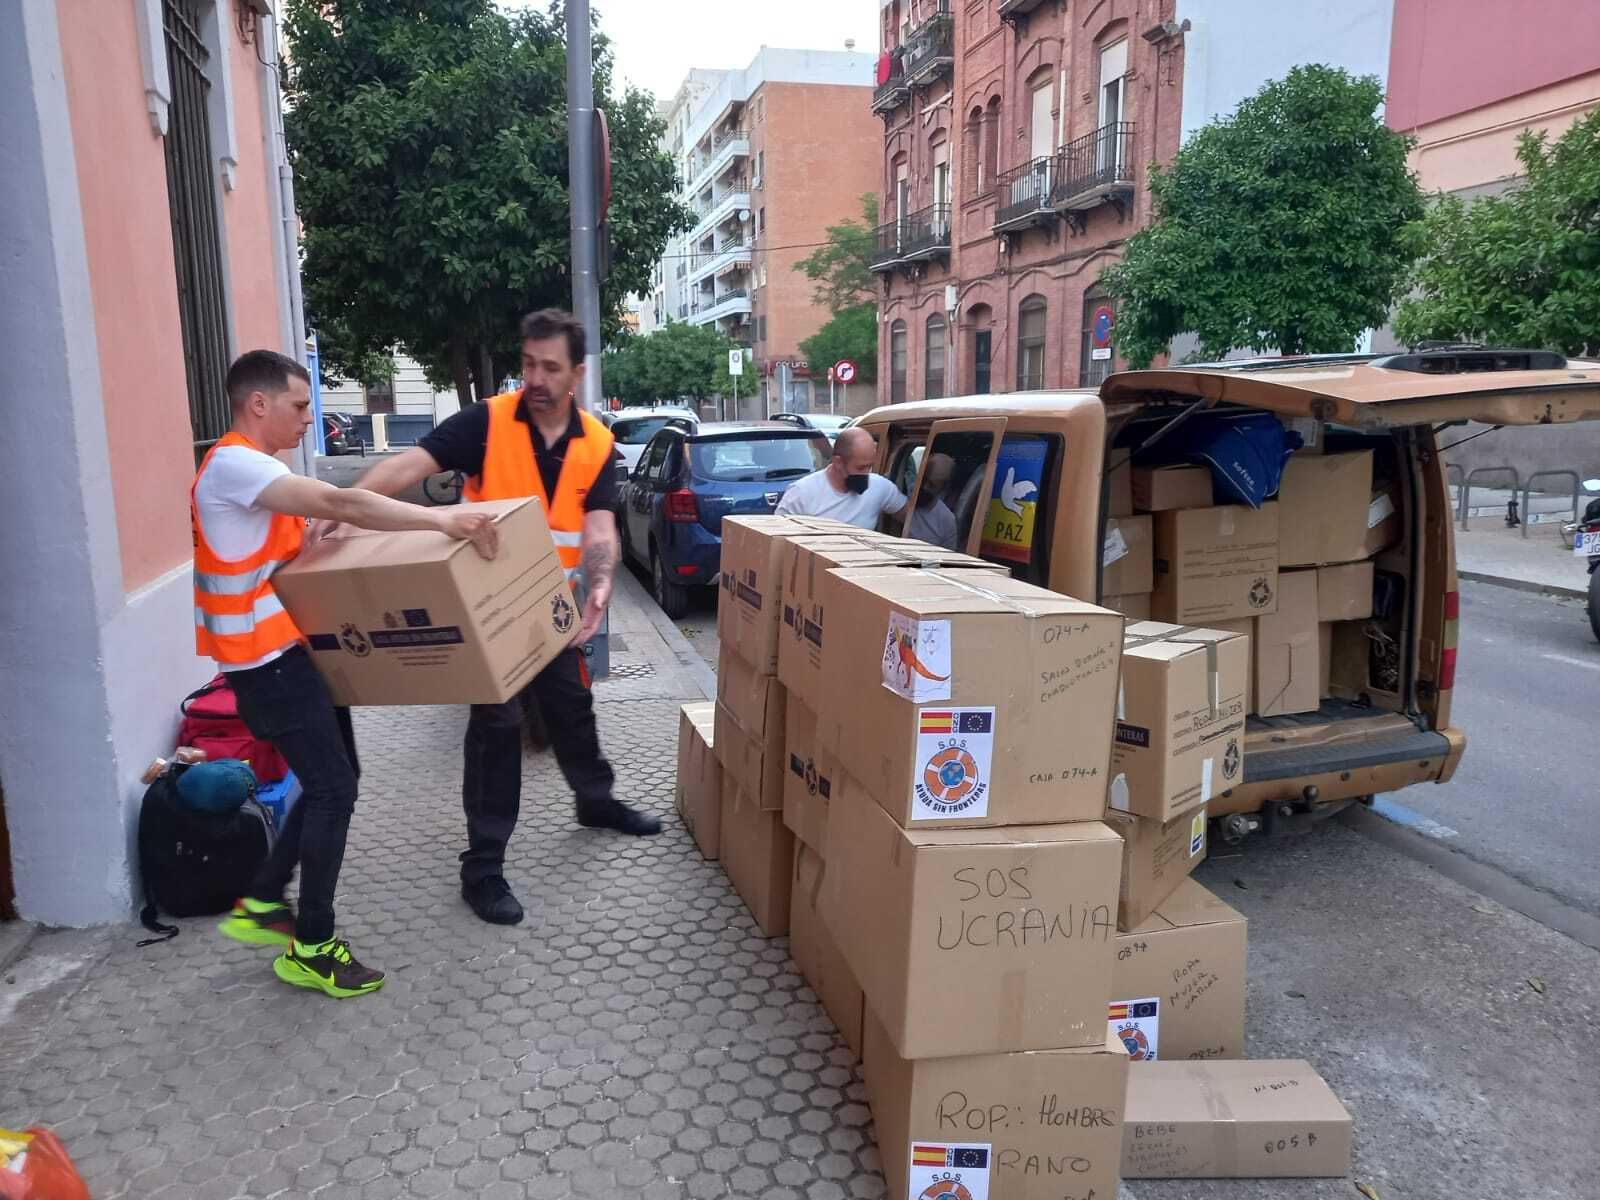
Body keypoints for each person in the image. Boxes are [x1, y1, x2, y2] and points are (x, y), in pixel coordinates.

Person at [203, 350, 499, 997]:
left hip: (289, 656)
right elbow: (344, 499)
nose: (311, 418)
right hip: (266, 668)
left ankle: (263, 901)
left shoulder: (255, 473)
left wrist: (316, 533)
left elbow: (295, 539)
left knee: (341, 778)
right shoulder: (235, 465)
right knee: (334, 789)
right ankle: (311, 945)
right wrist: (440, 518)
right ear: (259, 405)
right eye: (301, 406)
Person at [352, 309, 661, 928]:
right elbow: (409, 466)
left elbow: (600, 527)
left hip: (553, 605)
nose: (536, 377)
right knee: (495, 725)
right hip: (487, 606)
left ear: (576, 373)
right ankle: (483, 867)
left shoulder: (598, 443)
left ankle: (594, 802)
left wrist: (599, 592)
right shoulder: (488, 423)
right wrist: (349, 505)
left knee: (572, 706)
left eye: (550, 367)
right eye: (528, 364)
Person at [774, 426, 908, 530]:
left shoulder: (880, 487)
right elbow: (776, 540)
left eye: (870, 466)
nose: (866, 474)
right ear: (838, 462)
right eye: (860, 468)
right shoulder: (801, 494)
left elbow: (913, 520)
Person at [904, 452, 959, 549]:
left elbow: (946, 558)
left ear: (944, 488)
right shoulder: (901, 490)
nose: (924, 487)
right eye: (923, 480)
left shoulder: (946, 520)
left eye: (932, 485)